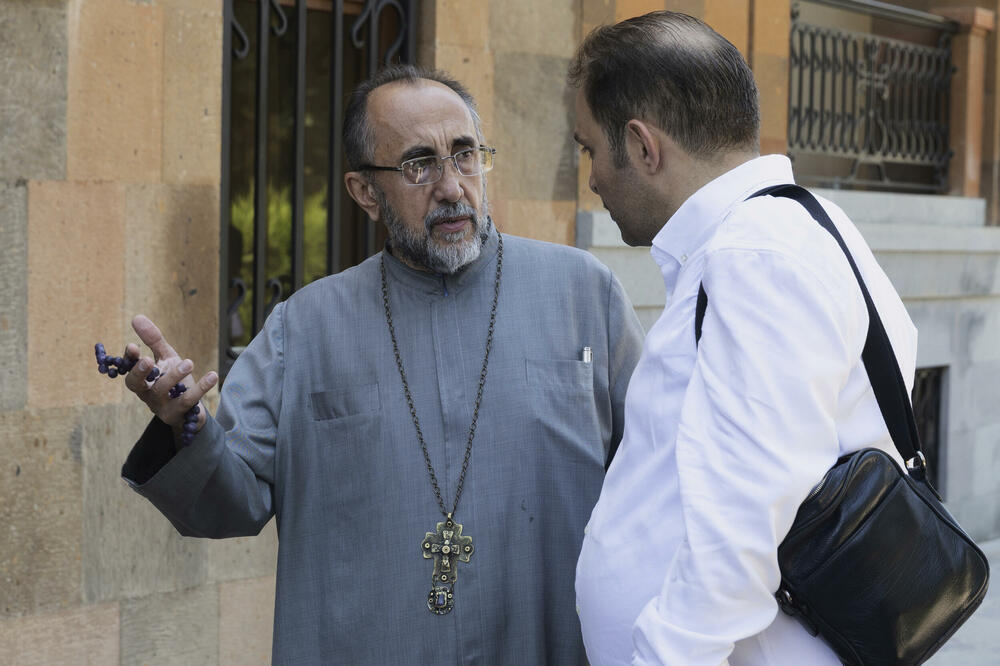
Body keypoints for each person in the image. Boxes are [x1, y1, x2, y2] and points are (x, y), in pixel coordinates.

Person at [115, 64, 643, 663]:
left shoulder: (584, 295)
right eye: (419, 165)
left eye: (465, 155)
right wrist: (184, 426)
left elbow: (664, 479)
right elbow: (229, 502)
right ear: (365, 192)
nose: (452, 187)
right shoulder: (303, 330)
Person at [569, 12, 918, 665]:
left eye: (589, 148)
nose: (591, 178)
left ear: (643, 146)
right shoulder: (790, 231)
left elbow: (744, 518)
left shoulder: (758, 255)